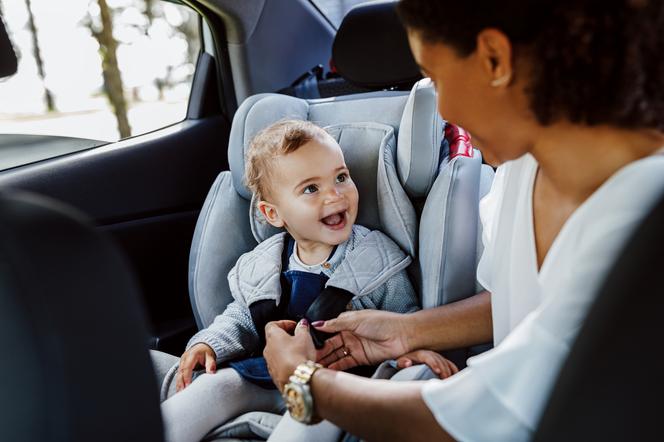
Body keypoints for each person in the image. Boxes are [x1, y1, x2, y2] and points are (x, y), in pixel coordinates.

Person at [262, 1, 664, 441]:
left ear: (494, 58)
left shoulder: (642, 218)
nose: (443, 109)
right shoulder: (518, 170)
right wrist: (404, 331)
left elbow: (483, 418)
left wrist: (303, 381)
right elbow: (516, 302)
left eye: (433, 76)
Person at [153, 119, 458, 442]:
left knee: (312, 416)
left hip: (342, 381)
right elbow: (241, 317)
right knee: (213, 387)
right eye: (311, 189)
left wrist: (413, 352)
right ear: (274, 214)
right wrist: (208, 342)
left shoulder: (375, 260)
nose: (334, 195)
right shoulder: (264, 265)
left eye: (341, 177)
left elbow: (403, 320)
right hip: (269, 372)